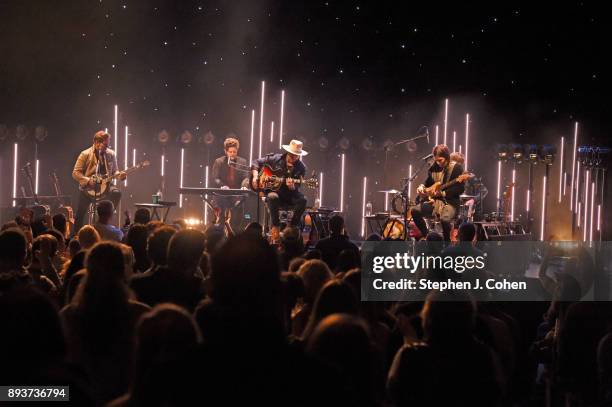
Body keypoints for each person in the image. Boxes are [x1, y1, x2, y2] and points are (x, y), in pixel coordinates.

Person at [251, 139, 308, 242]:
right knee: (272, 197)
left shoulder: (302, 167)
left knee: (303, 200)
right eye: (291, 155)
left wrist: (293, 187)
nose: (293, 158)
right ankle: (275, 226)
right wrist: (255, 176)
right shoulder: (275, 159)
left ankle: (293, 227)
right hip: (275, 193)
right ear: (288, 152)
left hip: (290, 195)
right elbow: (255, 162)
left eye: (296, 156)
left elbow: (298, 185)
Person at [72, 130, 126, 230]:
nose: (107, 147)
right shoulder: (85, 154)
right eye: (105, 145)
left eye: (108, 145)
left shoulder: (111, 154)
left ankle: (104, 218)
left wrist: (120, 176)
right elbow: (75, 173)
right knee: (80, 214)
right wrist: (88, 180)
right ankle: (76, 236)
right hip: (88, 189)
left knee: (116, 193)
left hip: (105, 187)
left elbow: (115, 172)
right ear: (97, 143)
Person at [411, 144, 465, 241]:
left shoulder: (457, 168)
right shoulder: (434, 167)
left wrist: (443, 194)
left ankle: (446, 244)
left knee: (444, 219)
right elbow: (427, 183)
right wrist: (421, 187)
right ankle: (427, 236)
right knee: (414, 211)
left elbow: (460, 189)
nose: (438, 163)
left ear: (447, 157)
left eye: (440, 160)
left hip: (451, 203)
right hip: (435, 203)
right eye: (436, 160)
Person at [211, 136, 250, 227]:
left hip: (236, 193)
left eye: (234, 152)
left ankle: (234, 232)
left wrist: (244, 185)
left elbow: (246, 177)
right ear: (226, 151)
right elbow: (215, 178)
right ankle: (219, 229)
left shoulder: (242, 162)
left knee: (238, 214)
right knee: (220, 215)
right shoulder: (219, 162)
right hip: (222, 194)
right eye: (230, 152)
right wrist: (222, 185)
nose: (232, 154)